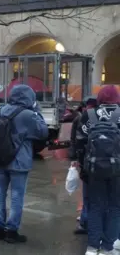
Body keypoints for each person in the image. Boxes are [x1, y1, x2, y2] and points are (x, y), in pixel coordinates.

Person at [0, 85, 48, 244]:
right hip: (19, 161)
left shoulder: (1, 110)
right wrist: (38, 112)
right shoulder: (28, 114)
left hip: (1, 159)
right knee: (16, 196)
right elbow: (43, 132)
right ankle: (11, 231)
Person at [73, 85, 120, 255]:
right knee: (115, 207)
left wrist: (82, 167)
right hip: (117, 170)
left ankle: (93, 247)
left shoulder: (89, 115)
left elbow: (79, 144)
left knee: (95, 206)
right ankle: (109, 246)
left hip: (93, 169)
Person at [70, 96, 97, 235]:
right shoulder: (105, 117)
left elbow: (75, 140)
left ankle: (85, 223)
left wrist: (75, 159)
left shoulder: (81, 118)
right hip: (105, 163)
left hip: (86, 162)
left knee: (87, 194)